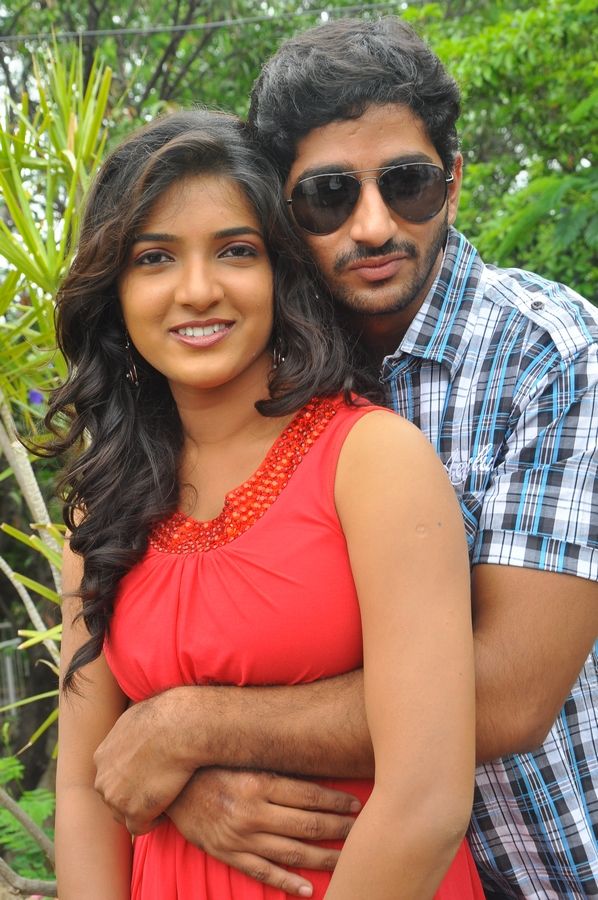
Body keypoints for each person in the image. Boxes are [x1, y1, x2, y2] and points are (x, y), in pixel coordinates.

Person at [91, 16, 598, 900]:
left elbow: (512, 694)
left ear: (453, 182)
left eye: (408, 184)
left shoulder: (552, 356)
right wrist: (177, 776)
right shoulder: (231, 370)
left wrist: (191, 732)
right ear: (282, 214)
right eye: (328, 195)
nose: (373, 226)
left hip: (547, 868)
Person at [50, 108, 484, 899]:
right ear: (115, 290)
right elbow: (83, 788)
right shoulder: (104, 508)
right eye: (155, 258)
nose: (198, 291)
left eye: (235, 251)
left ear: (281, 271)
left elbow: (427, 800)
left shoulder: (373, 462)